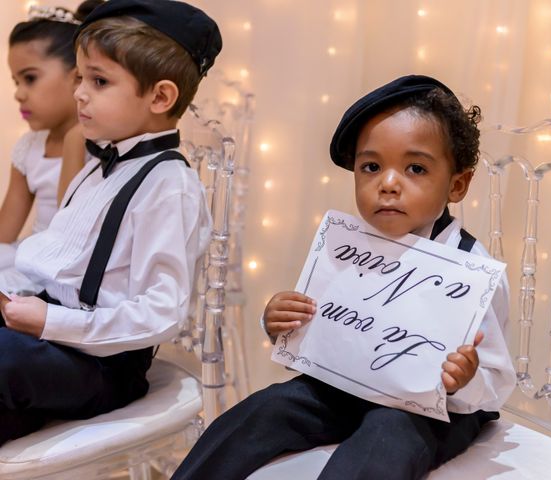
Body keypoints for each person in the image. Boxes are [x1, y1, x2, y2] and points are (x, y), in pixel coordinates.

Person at [171, 75, 516, 480]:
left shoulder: (470, 268)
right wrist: (283, 323)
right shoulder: (345, 247)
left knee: (386, 436)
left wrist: (465, 379)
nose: (388, 184)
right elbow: (328, 338)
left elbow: (496, 383)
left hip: (435, 411)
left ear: (457, 184)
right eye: (371, 166)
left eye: (415, 168)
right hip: (347, 388)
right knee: (265, 409)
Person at [0, 0, 222, 446]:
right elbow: (62, 256)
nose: (79, 92)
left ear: (160, 97)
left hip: (102, 364)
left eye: (98, 81)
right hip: (59, 341)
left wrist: (50, 322)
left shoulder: (169, 185)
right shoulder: (99, 164)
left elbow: (162, 312)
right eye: (80, 77)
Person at [0, 1, 103, 294]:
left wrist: (74, 141)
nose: (19, 94)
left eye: (30, 78)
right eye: (15, 81)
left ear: (77, 76)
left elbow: (70, 234)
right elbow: (4, 236)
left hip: (66, 272)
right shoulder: (28, 148)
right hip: (28, 259)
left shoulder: (101, 145)